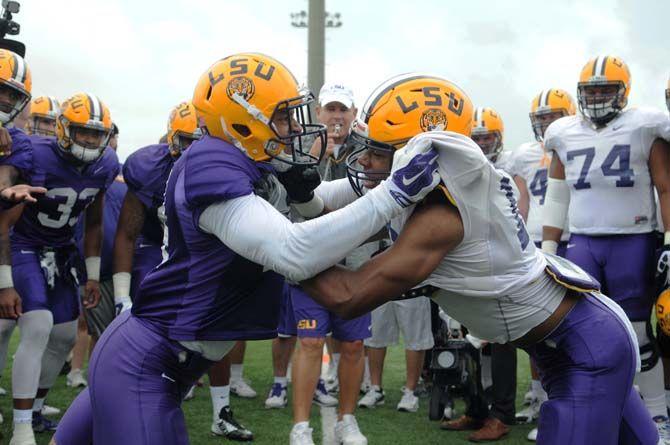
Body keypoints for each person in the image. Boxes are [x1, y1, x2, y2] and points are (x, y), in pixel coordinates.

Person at [54, 53, 439, 445]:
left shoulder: (245, 160)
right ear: (242, 118)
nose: (294, 129)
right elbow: (294, 252)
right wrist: (393, 194)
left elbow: (321, 202)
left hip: (160, 357)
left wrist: (379, 179)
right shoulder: (211, 166)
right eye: (284, 117)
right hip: (146, 361)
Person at [288, 72, 657, 445]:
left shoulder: (442, 217)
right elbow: (330, 212)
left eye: (379, 151)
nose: (364, 160)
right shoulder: (435, 194)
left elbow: (348, 296)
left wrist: (273, 253)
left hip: (587, 347)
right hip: (568, 341)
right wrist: (298, 193)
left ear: (420, 150)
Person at [542, 55, 670, 442]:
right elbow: (557, 196)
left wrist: (668, 241)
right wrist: (549, 246)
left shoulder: (645, 125)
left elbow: (665, 187)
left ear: (623, 91)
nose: (596, 96)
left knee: (637, 333)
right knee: (578, 332)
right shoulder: (562, 132)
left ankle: (657, 417)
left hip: (633, 239)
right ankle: (591, 411)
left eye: (605, 89)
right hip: (582, 240)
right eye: (590, 90)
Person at [0, 92, 119, 445]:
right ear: (65, 129)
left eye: (96, 135)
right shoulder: (35, 153)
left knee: (65, 336)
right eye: (83, 132)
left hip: (62, 250)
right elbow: (4, 221)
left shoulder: (106, 164)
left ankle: (34, 409)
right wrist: (5, 281)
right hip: (24, 245)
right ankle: (21, 426)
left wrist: (93, 274)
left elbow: (94, 221)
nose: (89, 141)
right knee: (37, 325)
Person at [289, 81, 370, 445]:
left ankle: (347, 419)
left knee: (352, 346)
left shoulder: (369, 147)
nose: (337, 116)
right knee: (309, 342)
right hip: (311, 256)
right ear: (318, 113)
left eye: (343, 109)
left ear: (354, 114)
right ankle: (301, 426)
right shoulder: (300, 146)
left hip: (354, 259)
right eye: (331, 109)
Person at [440, 106, 517, 441]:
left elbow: (510, 229)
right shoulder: (456, 175)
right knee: (464, 340)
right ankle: (475, 409)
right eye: (477, 139)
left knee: (498, 340)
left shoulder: (502, 177)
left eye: (487, 139)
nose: (483, 145)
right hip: (463, 268)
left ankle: (501, 414)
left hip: (494, 268)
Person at [508, 88, 576, 441]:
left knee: (571, 326)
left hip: (573, 239)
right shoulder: (523, 155)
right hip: (535, 243)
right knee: (537, 325)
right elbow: (520, 201)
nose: (547, 123)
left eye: (553, 115)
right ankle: (539, 393)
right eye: (542, 118)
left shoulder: (576, 144)